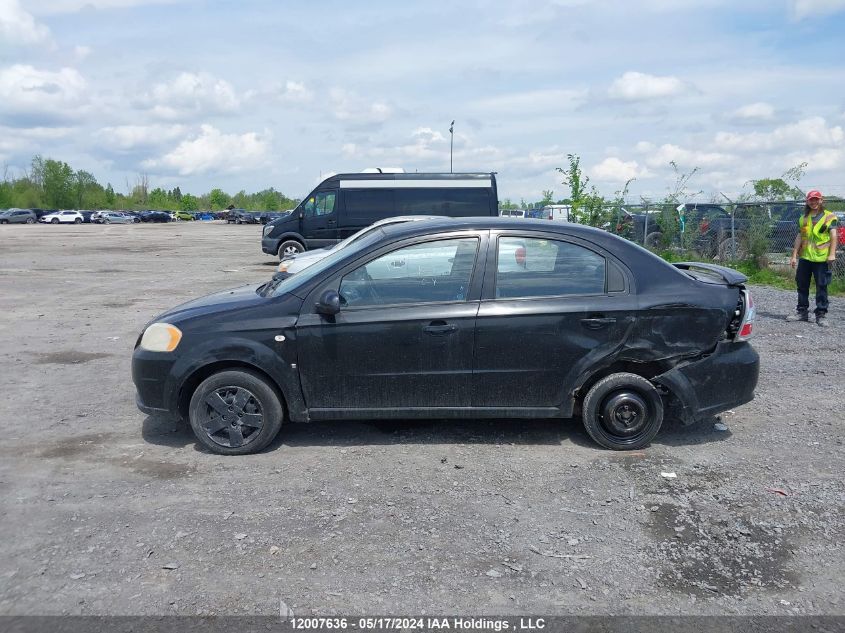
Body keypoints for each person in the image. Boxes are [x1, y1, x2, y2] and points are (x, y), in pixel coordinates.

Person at [787, 190, 838, 327]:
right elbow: (799, 237)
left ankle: (821, 314)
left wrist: (832, 254)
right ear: (807, 202)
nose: (814, 202)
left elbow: (834, 236)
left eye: (816, 199)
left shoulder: (829, 217)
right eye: (811, 200)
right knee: (802, 285)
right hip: (805, 258)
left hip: (821, 259)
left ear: (821, 200)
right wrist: (794, 255)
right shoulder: (803, 218)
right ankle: (802, 312)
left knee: (822, 286)